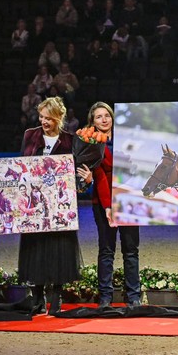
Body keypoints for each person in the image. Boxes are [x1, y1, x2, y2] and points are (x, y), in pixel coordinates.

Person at [19, 97, 82, 314]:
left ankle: (56, 295)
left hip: (59, 206)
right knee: (35, 248)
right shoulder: (30, 135)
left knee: (58, 249)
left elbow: (74, 172)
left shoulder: (69, 140)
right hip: (34, 205)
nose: (44, 121)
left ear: (59, 118)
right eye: (42, 117)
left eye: (49, 118)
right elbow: (21, 166)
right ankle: (37, 297)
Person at [76, 102, 141, 308]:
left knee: (131, 250)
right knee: (106, 250)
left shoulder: (126, 138)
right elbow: (101, 176)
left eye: (107, 115)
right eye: (98, 117)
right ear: (92, 121)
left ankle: (133, 296)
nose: (103, 120)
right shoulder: (89, 143)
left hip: (128, 201)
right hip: (103, 202)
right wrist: (107, 206)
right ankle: (105, 297)